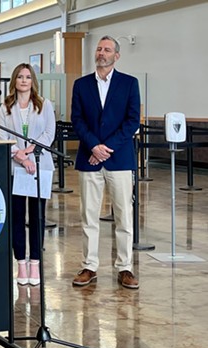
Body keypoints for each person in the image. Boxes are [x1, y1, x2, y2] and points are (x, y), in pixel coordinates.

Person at [70, 35, 141, 289]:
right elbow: (77, 120)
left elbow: (132, 121)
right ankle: (90, 266)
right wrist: (94, 146)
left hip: (119, 159)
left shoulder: (129, 84)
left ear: (116, 56)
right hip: (89, 158)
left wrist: (106, 148)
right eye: (99, 49)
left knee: (124, 215)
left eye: (107, 49)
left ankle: (125, 267)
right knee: (89, 215)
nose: (101, 52)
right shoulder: (81, 84)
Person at [0, 63, 56, 286]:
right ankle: (21, 263)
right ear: (14, 80)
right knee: (17, 217)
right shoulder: (5, 107)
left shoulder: (44, 105)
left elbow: (49, 132)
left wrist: (30, 152)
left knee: (37, 217)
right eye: (20, 77)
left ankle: (35, 264)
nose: (24, 80)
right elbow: (2, 136)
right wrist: (20, 157)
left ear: (33, 81)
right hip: (15, 167)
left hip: (39, 165)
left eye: (28, 77)